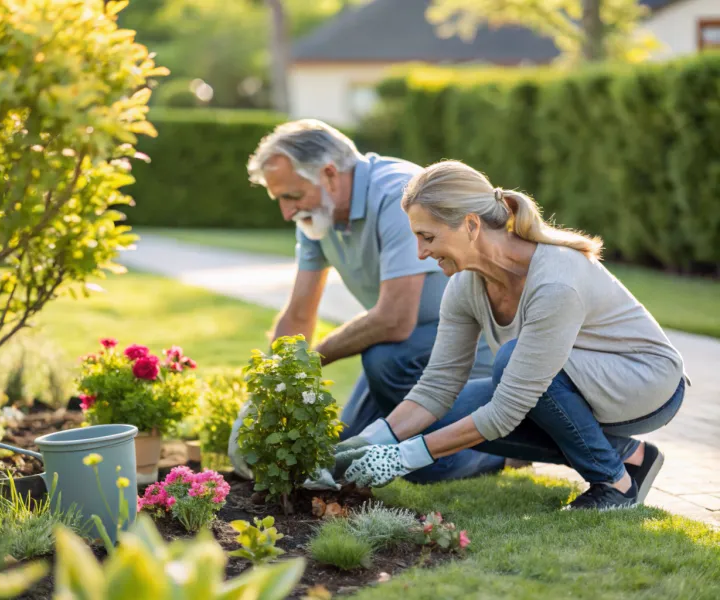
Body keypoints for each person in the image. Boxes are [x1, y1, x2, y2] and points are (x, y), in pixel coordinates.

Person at [335, 160, 688, 510]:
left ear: (471, 225)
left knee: (509, 367)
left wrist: (401, 457)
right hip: (576, 382)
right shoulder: (464, 285)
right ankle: (628, 455)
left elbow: (506, 410)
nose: (420, 252)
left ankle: (614, 482)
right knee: (448, 417)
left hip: (645, 385)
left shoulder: (554, 282)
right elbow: (438, 384)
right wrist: (370, 439)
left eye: (427, 237)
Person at [228, 119, 507, 483]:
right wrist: (268, 386)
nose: (286, 212)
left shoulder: (398, 195)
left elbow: (394, 319)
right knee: (345, 451)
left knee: (417, 462)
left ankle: (497, 453)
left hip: (469, 355)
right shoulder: (319, 215)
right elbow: (298, 314)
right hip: (410, 349)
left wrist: (306, 365)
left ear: (329, 174)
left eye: (292, 197)